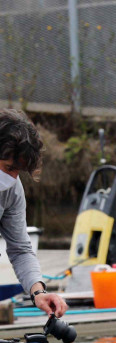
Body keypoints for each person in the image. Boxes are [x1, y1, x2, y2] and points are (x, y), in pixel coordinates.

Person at [0, 108, 67, 319]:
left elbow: (20, 249)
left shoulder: (12, 190)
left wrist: (38, 292)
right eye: (9, 167)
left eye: (18, 171)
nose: (13, 177)